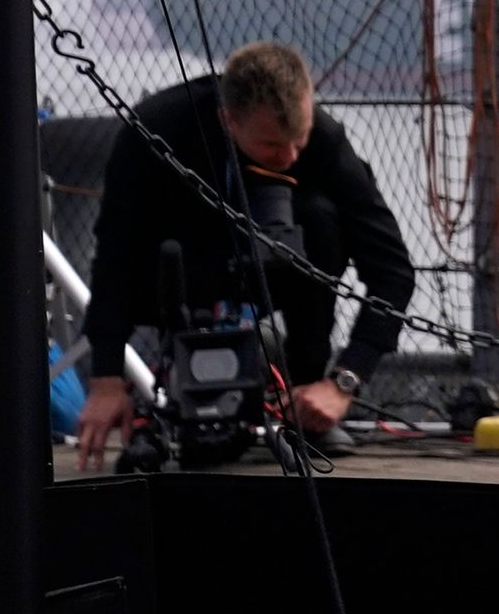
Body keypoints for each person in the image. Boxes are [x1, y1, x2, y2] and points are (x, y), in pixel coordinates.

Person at [75, 40, 414, 466]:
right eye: (273, 146)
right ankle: (178, 400)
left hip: (282, 271)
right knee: (159, 247)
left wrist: (345, 380)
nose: (290, 156)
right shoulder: (156, 128)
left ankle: (305, 395)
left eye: (300, 138)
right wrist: (106, 378)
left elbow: (393, 270)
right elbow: (114, 259)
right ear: (227, 120)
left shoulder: (325, 142)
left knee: (322, 218)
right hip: (180, 274)